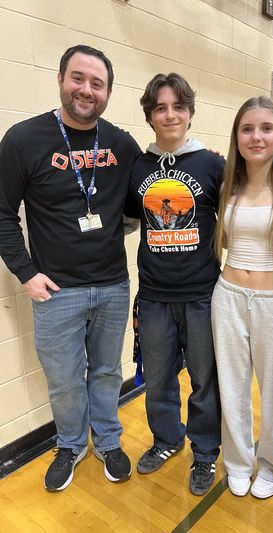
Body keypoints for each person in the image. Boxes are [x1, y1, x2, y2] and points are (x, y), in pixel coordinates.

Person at [0, 45, 142, 491]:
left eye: (97, 83)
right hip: (56, 290)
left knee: (106, 372)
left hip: (113, 286)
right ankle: (70, 444)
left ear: (108, 92)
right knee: (64, 380)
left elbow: (151, 195)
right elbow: (2, 212)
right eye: (78, 78)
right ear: (60, 79)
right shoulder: (24, 140)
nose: (86, 90)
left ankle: (108, 441)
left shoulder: (121, 144)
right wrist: (25, 272)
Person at [127, 73, 224, 496]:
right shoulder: (139, 168)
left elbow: (234, 223)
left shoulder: (212, 164)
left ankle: (205, 453)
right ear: (150, 116)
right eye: (160, 108)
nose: (170, 115)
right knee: (159, 379)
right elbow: (133, 220)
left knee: (205, 379)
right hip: (153, 297)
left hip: (202, 294)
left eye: (177, 107)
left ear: (189, 113)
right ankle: (167, 440)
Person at [211, 96, 273, 498]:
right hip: (229, 295)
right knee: (231, 385)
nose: (256, 136)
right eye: (247, 129)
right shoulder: (226, 186)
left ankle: (272, 464)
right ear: (236, 138)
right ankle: (236, 460)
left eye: (266, 128)